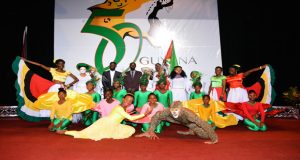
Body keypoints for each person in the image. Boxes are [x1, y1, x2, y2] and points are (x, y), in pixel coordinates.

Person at [65, 93, 145, 141]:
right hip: (106, 123)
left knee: (131, 129)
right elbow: (130, 118)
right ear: (123, 99)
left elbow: (125, 117)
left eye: (130, 101)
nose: (128, 102)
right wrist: (145, 114)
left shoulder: (123, 107)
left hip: (114, 124)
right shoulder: (119, 107)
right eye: (127, 99)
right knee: (85, 134)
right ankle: (65, 132)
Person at [135, 101, 218, 144]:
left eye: (176, 110)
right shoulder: (167, 111)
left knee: (204, 136)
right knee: (157, 115)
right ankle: (149, 132)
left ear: (181, 109)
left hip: (191, 123)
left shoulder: (188, 114)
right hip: (178, 121)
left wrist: (214, 139)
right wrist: (151, 130)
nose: (174, 112)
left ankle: (193, 130)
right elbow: (156, 117)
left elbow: (203, 124)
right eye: (173, 110)